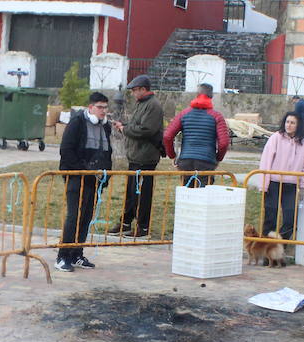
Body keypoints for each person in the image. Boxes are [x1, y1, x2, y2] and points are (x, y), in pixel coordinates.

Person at [57, 92, 117, 272]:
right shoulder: (77, 123)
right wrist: (83, 170)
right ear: (90, 107)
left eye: (106, 108)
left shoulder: (105, 127)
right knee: (74, 216)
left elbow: (107, 152)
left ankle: (76, 253)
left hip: (95, 180)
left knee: (86, 217)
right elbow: (66, 150)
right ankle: (63, 256)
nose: (103, 111)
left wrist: (106, 175)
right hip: (76, 177)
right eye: (100, 107)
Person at [111, 74, 164, 238]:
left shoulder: (153, 106)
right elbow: (138, 125)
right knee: (131, 193)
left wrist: (124, 129)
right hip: (136, 156)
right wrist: (126, 126)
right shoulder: (142, 104)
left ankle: (143, 228)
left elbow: (146, 130)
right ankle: (126, 223)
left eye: (135, 90)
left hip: (145, 157)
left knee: (143, 193)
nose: (133, 93)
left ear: (143, 89)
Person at [255, 111, 304, 240]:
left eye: (292, 123)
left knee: (290, 218)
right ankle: (266, 248)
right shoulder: (276, 137)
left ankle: (279, 245)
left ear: (298, 125)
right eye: (287, 122)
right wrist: (264, 185)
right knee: (270, 216)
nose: (289, 125)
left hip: (291, 185)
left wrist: (302, 186)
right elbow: (266, 160)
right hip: (274, 183)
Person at [163, 82, 230, 187]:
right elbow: (224, 143)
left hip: (186, 160)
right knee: (203, 198)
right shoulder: (217, 117)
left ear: (197, 95)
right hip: (206, 161)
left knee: (187, 195)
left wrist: (173, 156)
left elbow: (167, 136)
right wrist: (218, 158)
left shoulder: (184, 114)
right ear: (211, 96)